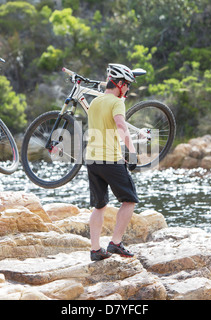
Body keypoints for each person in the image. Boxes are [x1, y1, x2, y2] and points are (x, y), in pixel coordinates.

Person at [86, 63, 139, 261]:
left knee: (99, 205)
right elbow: (119, 125)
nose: (127, 89)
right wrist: (131, 152)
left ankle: (95, 249)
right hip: (109, 159)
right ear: (119, 84)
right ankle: (115, 243)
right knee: (129, 200)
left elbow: (104, 128)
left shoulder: (95, 102)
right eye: (127, 85)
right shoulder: (117, 102)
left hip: (92, 159)